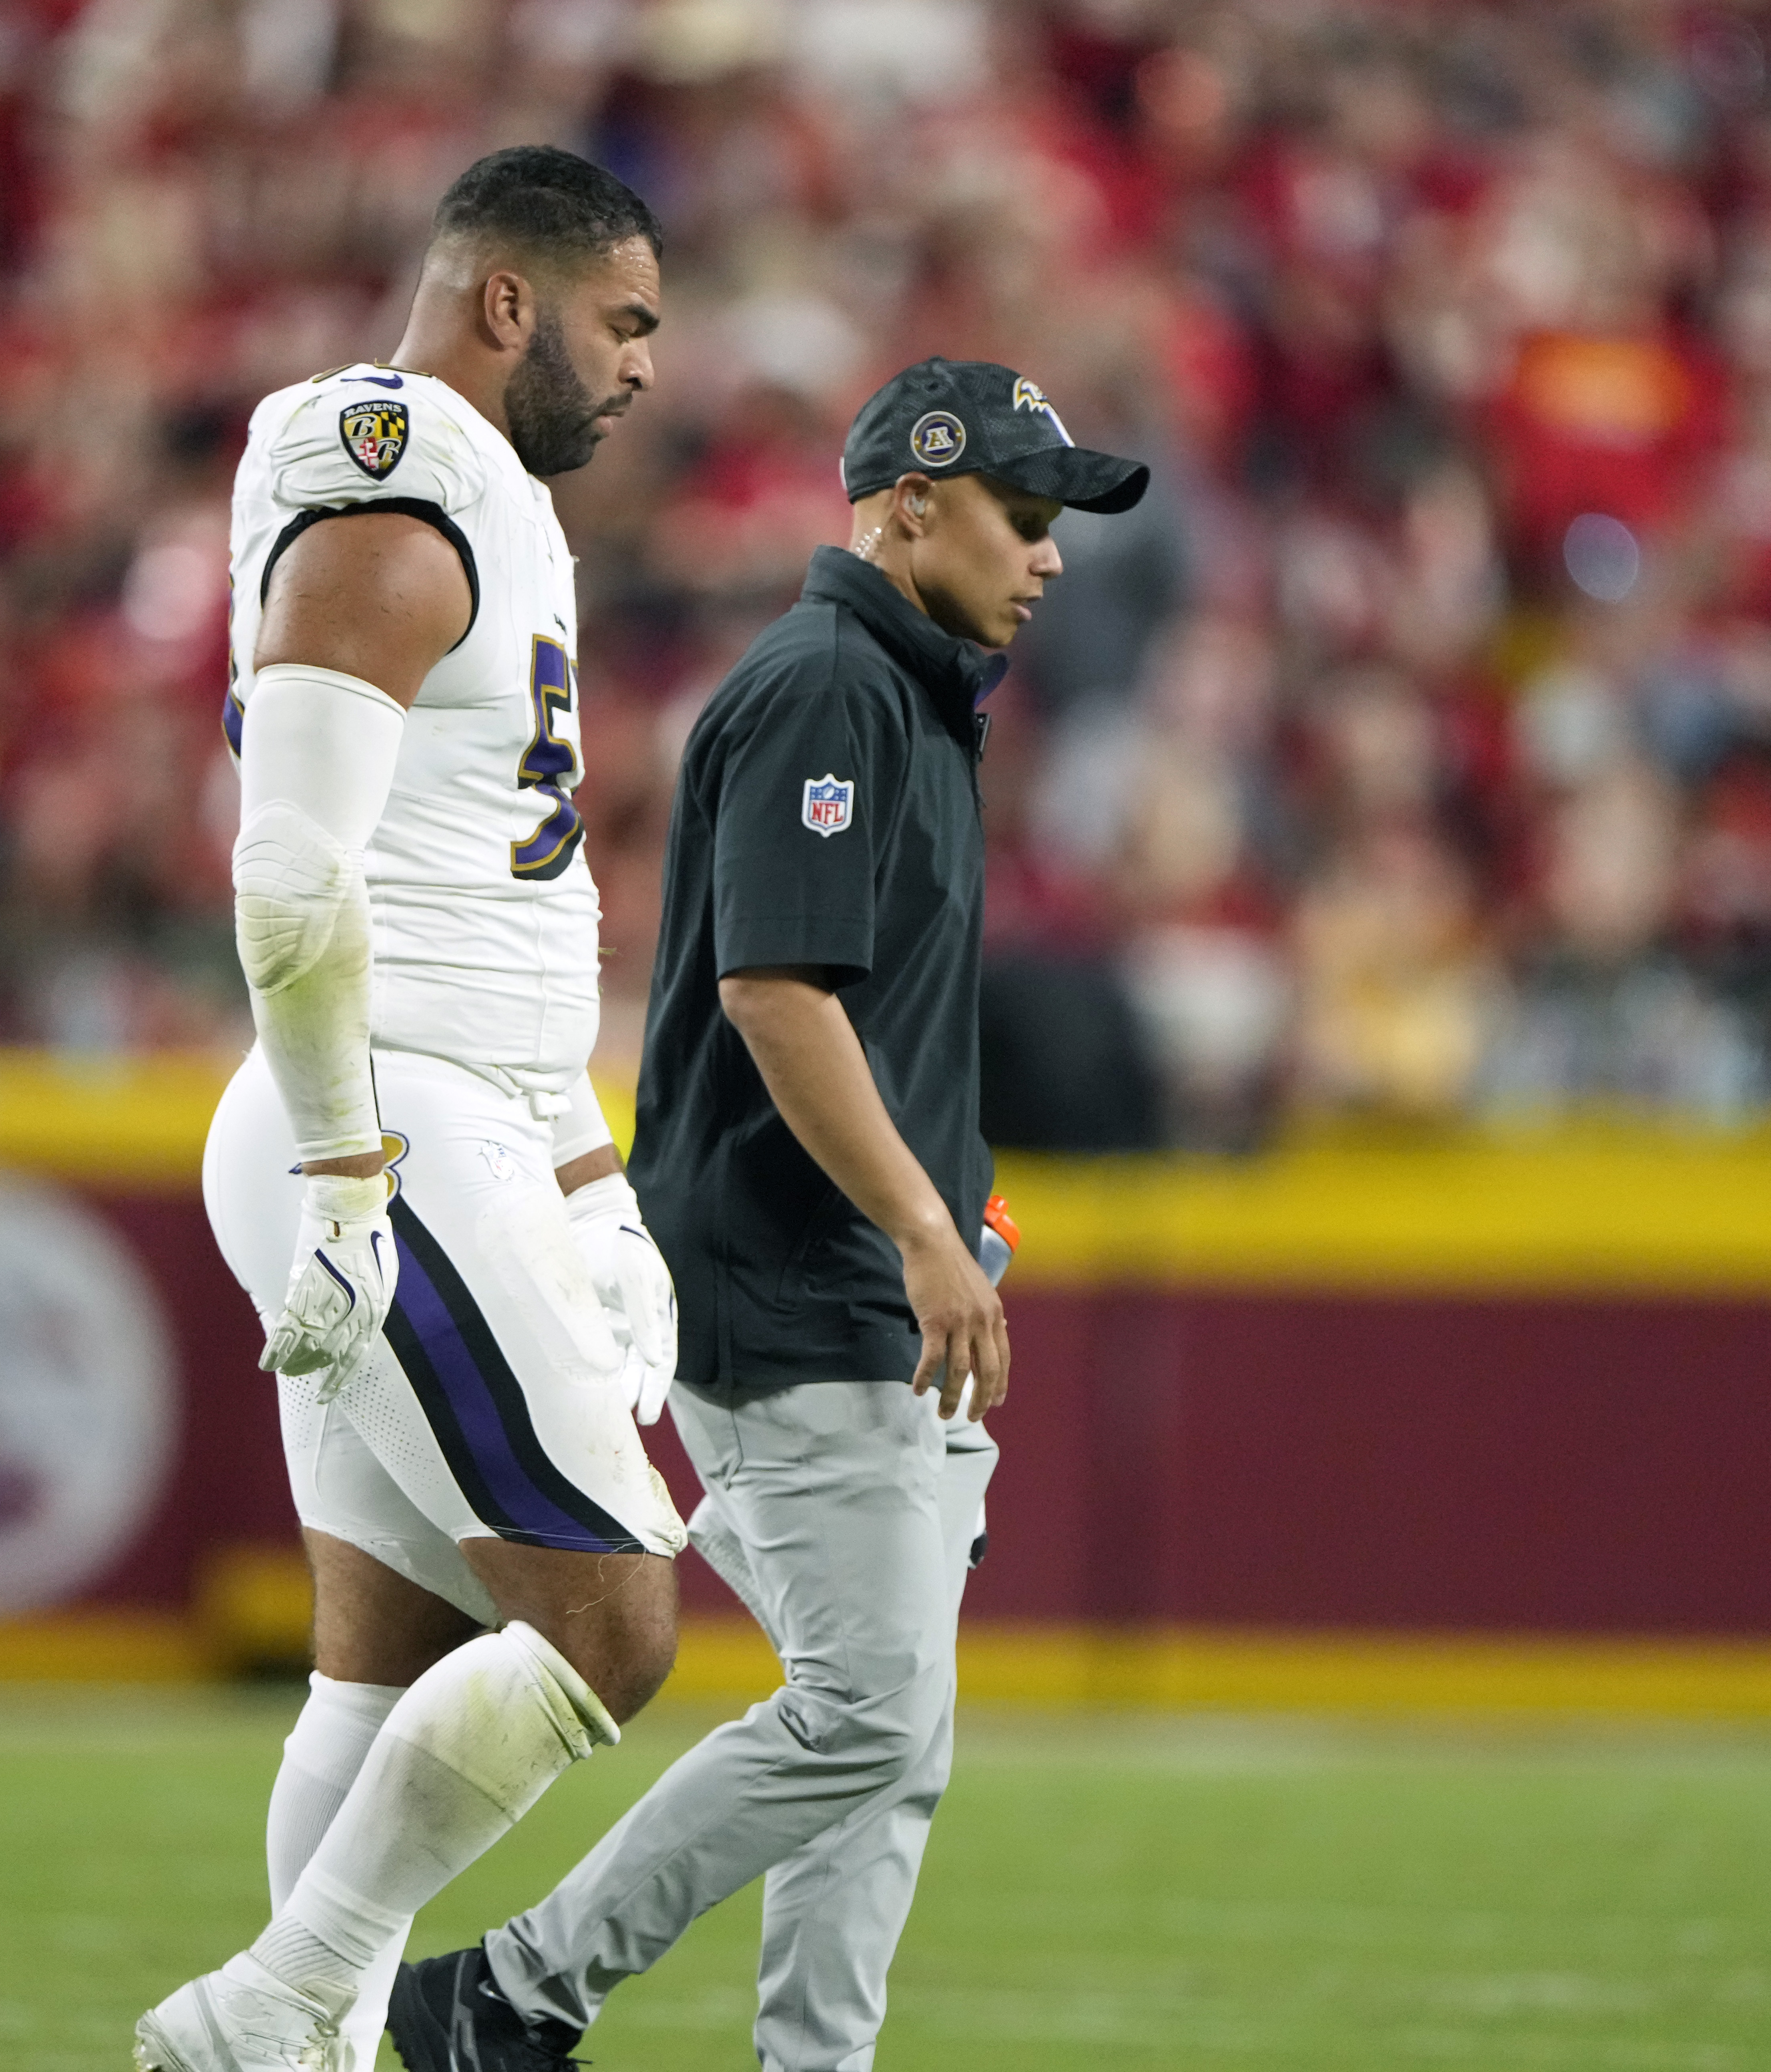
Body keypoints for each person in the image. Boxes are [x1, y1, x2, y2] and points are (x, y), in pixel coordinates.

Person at [388, 358, 1148, 2072]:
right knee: (870, 1708)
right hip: (794, 1285)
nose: (1048, 555)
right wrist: (924, 1231)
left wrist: (956, 1206)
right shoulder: (828, 688)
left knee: (894, 1730)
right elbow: (778, 997)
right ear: (905, 506)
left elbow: (865, 1021)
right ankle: (509, 1992)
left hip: (857, 1277)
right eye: (1025, 517)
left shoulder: (909, 691)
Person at [135, 145, 688, 2072]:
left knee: (388, 1664)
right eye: (621, 322)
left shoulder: (502, 505)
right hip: (373, 1123)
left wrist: (595, 1182)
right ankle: (278, 2010)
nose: (642, 369)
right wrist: (353, 1170)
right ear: (507, 300)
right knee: (612, 1626)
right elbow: (290, 875)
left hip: (450, 1113)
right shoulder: (399, 461)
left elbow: (494, 897)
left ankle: (313, 2046)